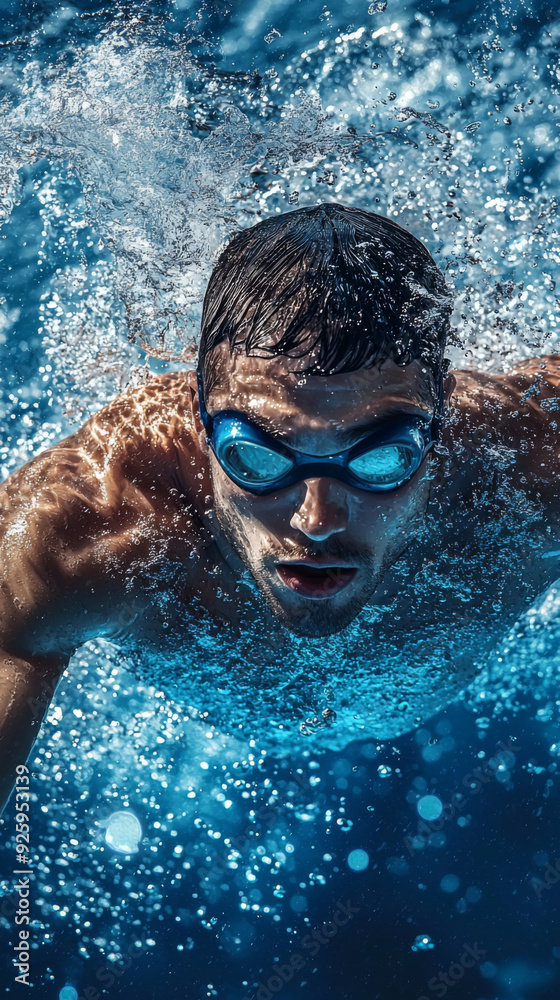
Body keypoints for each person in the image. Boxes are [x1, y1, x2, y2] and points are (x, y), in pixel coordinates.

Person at [0, 202, 559, 815]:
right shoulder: (88, 533)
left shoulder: (529, 479)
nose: (316, 520)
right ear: (198, 412)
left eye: (380, 458)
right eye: (259, 457)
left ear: (442, 419)